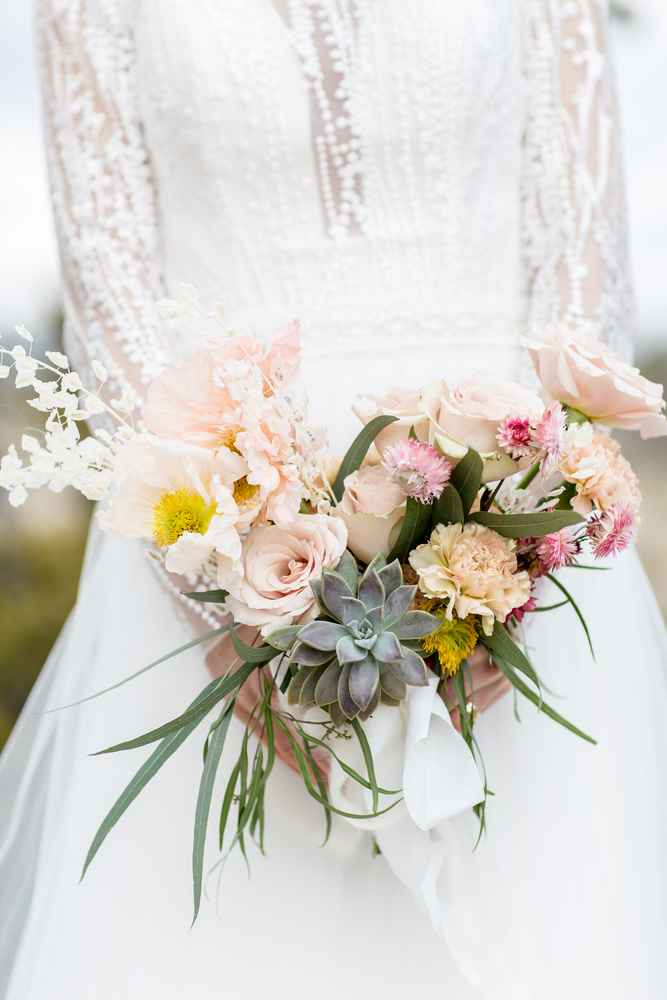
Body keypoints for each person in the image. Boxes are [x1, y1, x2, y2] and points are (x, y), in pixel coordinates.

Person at [1, 1, 666, 997]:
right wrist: (233, 597)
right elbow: (112, 300)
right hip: (214, 579)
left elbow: (585, 265)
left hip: (515, 570)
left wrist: (500, 556)